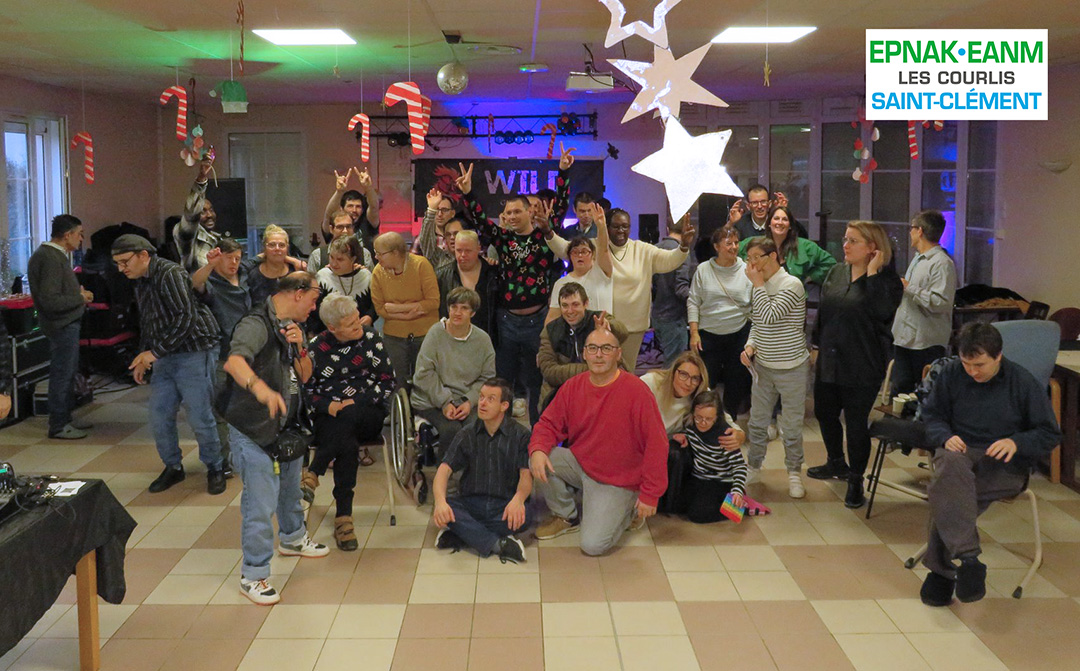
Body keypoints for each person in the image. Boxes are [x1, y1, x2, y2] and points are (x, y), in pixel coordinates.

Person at [918, 323, 1061, 606]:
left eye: (980, 364)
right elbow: (931, 416)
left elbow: (1050, 434)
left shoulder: (1022, 382)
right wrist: (945, 436)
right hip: (960, 454)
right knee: (949, 466)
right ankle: (969, 558)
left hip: (1004, 464)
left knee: (949, 494)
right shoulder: (951, 374)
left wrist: (1016, 442)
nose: (973, 371)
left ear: (998, 356)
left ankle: (942, 572)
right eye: (967, 363)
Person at [221, 271, 329, 605]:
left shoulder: (294, 328)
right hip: (252, 425)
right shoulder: (255, 324)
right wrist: (262, 389)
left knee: (290, 487)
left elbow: (306, 375)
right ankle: (253, 575)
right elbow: (234, 362)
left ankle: (293, 537)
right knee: (260, 501)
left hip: (287, 424)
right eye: (313, 300)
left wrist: (300, 348)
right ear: (298, 293)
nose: (314, 307)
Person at [455, 146, 572, 424]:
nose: (510, 217)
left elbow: (562, 205)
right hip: (506, 321)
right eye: (506, 213)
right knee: (503, 380)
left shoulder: (545, 236)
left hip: (538, 321)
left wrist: (564, 172)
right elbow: (480, 221)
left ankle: (536, 434)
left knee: (535, 382)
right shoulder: (503, 239)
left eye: (517, 211)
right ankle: (502, 431)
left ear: (531, 213)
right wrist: (469, 192)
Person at [530, 328, 668, 554]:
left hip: (619, 480)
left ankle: (628, 510)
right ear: (584, 354)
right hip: (582, 463)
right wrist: (537, 450)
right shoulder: (573, 386)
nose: (599, 355)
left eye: (606, 349)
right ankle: (566, 516)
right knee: (541, 454)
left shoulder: (637, 392)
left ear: (618, 354)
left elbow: (657, 444)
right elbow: (547, 424)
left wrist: (650, 494)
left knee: (592, 546)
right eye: (592, 348)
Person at [111, 234, 226, 495]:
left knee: (200, 415)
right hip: (165, 353)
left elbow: (186, 318)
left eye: (125, 261)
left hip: (196, 349)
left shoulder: (169, 273)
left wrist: (153, 354)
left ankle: (215, 467)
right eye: (117, 264)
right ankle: (173, 467)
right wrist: (143, 356)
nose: (121, 269)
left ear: (143, 255)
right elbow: (150, 322)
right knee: (159, 414)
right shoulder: (140, 280)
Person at [808, 221, 903, 508]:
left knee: (856, 424)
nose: (845, 245)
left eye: (853, 241)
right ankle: (835, 461)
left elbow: (881, 312)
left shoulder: (888, 282)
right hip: (830, 358)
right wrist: (815, 346)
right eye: (845, 239)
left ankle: (856, 479)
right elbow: (824, 312)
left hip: (862, 363)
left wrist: (872, 275)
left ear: (873, 248)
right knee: (824, 413)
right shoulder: (837, 272)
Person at [304, 294, 395, 550]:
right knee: (346, 440)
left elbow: (388, 382)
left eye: (358, 319)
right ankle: (344, 517)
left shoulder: (371, 339)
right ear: (332, 328)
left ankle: (314, 470)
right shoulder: (315, 347)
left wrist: (359, 402)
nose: (359, 326)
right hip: (329, 415)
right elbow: (305, 390)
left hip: (368, 412)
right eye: (351, 324)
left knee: (349, 416)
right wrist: (328, 406)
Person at [554, 208, 695, 373]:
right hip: (602, 325)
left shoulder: (642, 250)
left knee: (626, 373)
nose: (621, 231)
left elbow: (670, 261)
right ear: (607, 227)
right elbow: (565, 249)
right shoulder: (595, 246)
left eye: (625, 226)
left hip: (633, 327)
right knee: (602, 372)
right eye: (616, 226)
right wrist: (548, 232)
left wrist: (684, 246)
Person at [432, 377, 533, 563]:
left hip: (504, 505)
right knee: (445, 506)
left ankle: (463, 533)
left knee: (526, 515)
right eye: (481, 397)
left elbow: (525, 476)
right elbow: (444, 470)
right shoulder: (467, 433)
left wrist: (518, 500)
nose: (482, 403)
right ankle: (498, 544)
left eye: (490, 399)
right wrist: (439, 502)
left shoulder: (521, 435)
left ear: (504, 406)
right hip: (471, 503)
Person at [740, 237, 811, 498]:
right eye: (748, 260)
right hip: (764, 367)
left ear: (772, 256)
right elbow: (757, 323)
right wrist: (750, 346)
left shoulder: (791, 285)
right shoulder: (760, 286)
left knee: (791, 426)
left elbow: (770, 316)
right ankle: (754, 466)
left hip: (792, 366)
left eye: (755, 258)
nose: (751, 265)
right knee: (757, 423)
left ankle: (794, 473)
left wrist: (757, 285)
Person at [27, 214, 94, 439]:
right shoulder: (50, 258)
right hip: (62, 325)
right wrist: (80, 298)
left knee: (67, 373)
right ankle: (58, 425)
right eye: (79, 234)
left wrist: (78, 295)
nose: (81, 239)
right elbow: (50, 300)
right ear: (67, 235)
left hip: (66, 324)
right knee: (62, 375)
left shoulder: (54, 256)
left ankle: (65, 419)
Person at [411, 287, 497, 454]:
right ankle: (445, 476)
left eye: (464, 308)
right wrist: (445, 402)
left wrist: (469, 401)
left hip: (465, 400)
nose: (457, 312)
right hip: (431, 400)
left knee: (477, 427)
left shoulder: (483, 340)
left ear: (472, 313)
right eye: (454, 307)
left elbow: (487, 378)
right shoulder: (435, 333)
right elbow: (424, 374)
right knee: (451, 430)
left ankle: (473, 475)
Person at [192, 237, 251, 476]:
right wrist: (209, 265)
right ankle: (222, 461)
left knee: (247, 407)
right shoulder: (212, 281)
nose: (234, 263)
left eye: (237, 258)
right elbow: (195, 284)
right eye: (229, 258)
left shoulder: (245, 276)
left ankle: (245, 455)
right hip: (221, 353)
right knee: (220, 409)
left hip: (247, 350)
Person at [688, 225, 753, 420]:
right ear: (716, 247)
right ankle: (702, 421)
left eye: (736, 242)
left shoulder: (747, 269)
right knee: (705, 381)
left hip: (739, 333)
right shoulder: (703, 269)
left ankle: (729, 421)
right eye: (728, 243)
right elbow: (693, 301)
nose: (733, 247)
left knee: (736, 382)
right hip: (708, 334)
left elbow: (754, 301)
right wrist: (694, 332)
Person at [891, 210, 957, 396]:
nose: (910, 233)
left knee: (924, 394)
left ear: (919, 231)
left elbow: (941, 303)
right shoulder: (918, 259)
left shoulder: (942, 263)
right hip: (905, 338)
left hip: (926, 343)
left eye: (911, 229)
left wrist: (909, 287)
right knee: (900, 391)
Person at [538, 282, 628, 410]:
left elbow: (623, 333)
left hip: (603, 387)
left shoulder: (599, 319)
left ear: (586, 304)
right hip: (563, 390)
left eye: (575, 305)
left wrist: (609, 328)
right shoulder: (550, 330)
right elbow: (549, 371)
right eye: (565, 306)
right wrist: (593, 370)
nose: (570, 311)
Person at [370, 232, 441, 389]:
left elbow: (433, 302)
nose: (376, 257)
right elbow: (381, 309)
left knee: (424, 381)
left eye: (380, 254)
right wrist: (414, 310)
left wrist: (396, 308)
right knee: (397, 383)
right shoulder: (378, 272)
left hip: (424, 334)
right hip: (394, 336)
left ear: (395, 252)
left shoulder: (421, 265)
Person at [673, 390, 747, 524]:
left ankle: (737, 505)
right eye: (698, 417)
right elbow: (689, 434)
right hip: (699, 477)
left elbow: (740, 466)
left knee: (698, 515)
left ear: (717, 417)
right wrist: (684, 437)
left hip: (721, 481)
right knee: (675, 504)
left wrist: (737, 490)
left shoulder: (725, 436)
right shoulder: (690, 426)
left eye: (708, 419)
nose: (702, 423)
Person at [546, 203, 613, 323]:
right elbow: (552, 317)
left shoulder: (602, 272)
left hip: (601, 334)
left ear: (593, 255)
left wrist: (601, 226)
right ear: (570, 256)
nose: (580, 255)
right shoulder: (561, 283)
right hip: (573, 336)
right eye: (575, 252)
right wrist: (546, 340)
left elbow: (604, 249)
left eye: (584, 252)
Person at [738, 205, 835, 286]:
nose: (780, 223)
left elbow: (831, 264)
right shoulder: (754, 243)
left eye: (784, 219)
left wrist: (811, 277)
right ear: (769, 224)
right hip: (761, 297)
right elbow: (728, 252)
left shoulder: (806, 246)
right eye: (776, 219)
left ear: (790, 226)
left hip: (793, 299)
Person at [651, 215, 697, 367]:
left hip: (657, 313)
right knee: (673, 366)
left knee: (668, 361)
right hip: (674, 316)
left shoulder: (655, 248)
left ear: (667, 229)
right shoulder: (682, 251)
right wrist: (699, 300)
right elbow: (680, 288)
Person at [436, 230, 499, 339]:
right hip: (452, 338)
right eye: (459, 250)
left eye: (468, 251)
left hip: (487, 338)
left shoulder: (493, 274)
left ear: (478, 249)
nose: (463, 255)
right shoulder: (441, 276)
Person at [313, 235, 376, 333]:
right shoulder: (322, 276)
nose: (334, 263)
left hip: (360, 334)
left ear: (353, 259)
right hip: (329, 335)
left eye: (340, 259)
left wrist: (370, 316)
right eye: (331, 257)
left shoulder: (366, 276)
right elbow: (314, 311)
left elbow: (376, 303)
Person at [639, 351, 710, 437]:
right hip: (639, 436)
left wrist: (731, 431)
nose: (688, 383)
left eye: (695, 378)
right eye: (683, 374)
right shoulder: (651, 381)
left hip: (667, 440)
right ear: (673, 372)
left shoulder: (699, 391)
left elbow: (720, 413)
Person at [321, 167, 381, 261]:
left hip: (365, 270)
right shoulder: (336, 225)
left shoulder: (368, 222)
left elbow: (374, 208)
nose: (354, 210)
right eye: (350, 206)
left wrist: (368, 188)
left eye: (358, 206)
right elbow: (328, 214)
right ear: (341, 208)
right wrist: (339, 192)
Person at [175, 156, 222, 272]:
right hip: (194, 287)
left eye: (211, 210)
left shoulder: (217, 239)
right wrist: (201, 180)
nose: (210, 215)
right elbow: (191, 213)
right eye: (203, 212)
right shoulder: (188, 235)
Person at [245, 225, 306, 306]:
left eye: (281, 245)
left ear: (287, 248)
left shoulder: (295, 271)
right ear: (264, 248)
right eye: (272, 245)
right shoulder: (253, 275)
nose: (277, 249)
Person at [308, 209, 375, 274]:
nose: (345, 231)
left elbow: (373, 283)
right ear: (331, 229)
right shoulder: (318, 255)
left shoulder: (364, 253)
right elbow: (309, 283)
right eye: (340, 227)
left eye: (348, 227)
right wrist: (322, 276)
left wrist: (364, 275)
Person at [727, 185, 804, 240]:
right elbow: (721, 244)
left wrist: (784, 212)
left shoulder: (777, 221)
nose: (760, 206)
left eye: (763, 202)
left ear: (769, 204)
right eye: (755, 203)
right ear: (748, 206)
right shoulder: (741, 223)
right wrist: (731, 223)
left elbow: (802, 237)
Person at [417, 187, 463, 272]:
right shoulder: (426, 240)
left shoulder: (462, 234)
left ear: (453, 213)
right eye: (436, 210)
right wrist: (431, 210)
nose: (439, 214)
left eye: (444, 210)